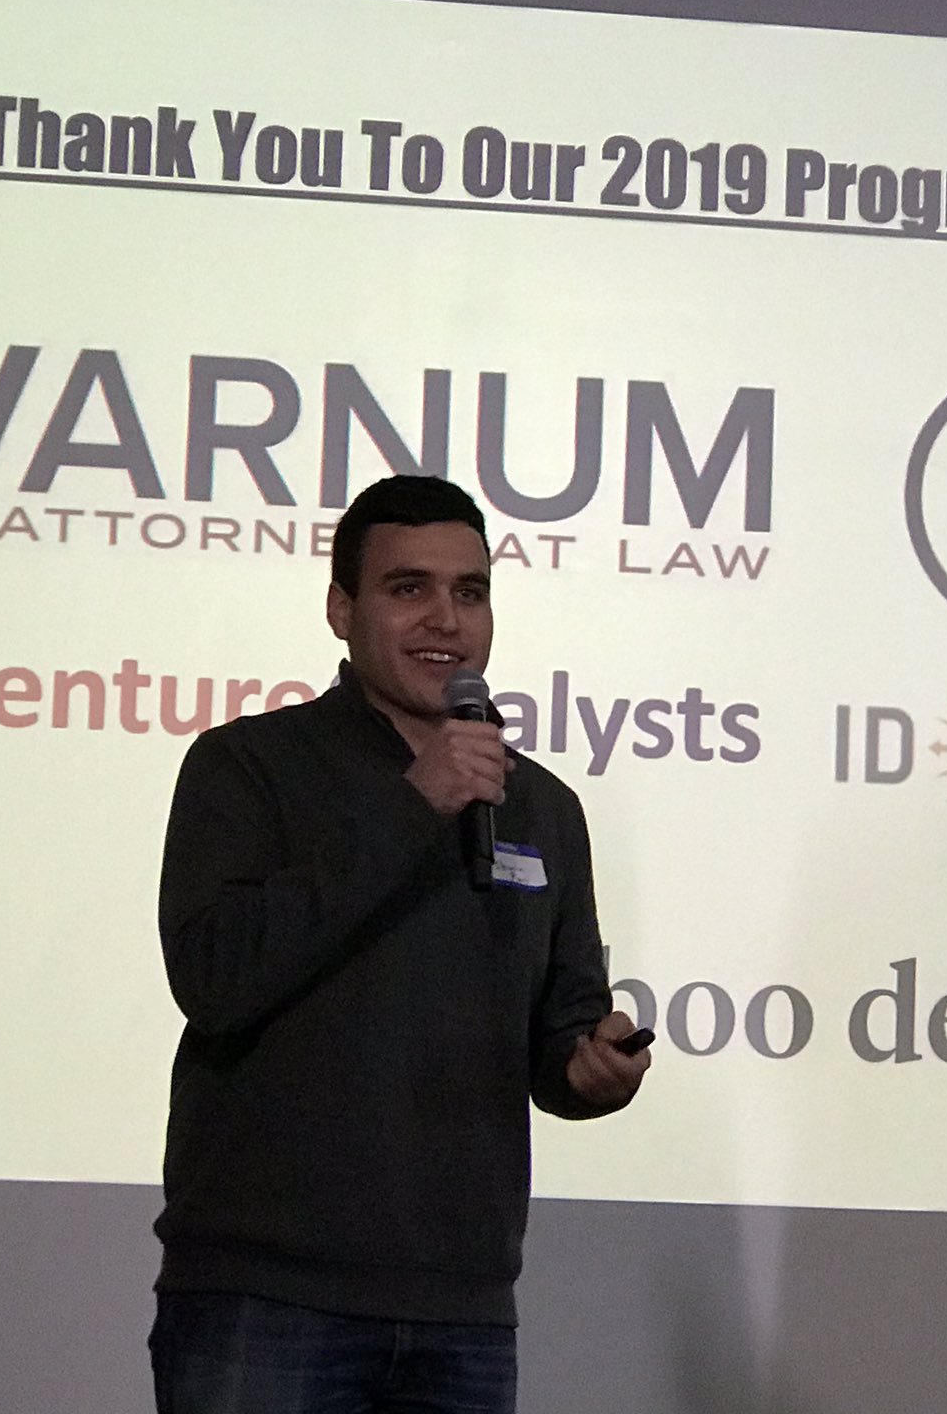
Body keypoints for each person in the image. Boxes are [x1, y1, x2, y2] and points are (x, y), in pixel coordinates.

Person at [149, 474, 650, 1414]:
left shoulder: (542, 806)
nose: (445, 620)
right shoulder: (248, 766)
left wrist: (590, 1070)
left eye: (470, 591)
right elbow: (216, 979)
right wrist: (415, 802)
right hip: (269, 1297)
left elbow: (561, 1031)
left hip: (463, 1308)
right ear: (341, 610)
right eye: (408, 587)